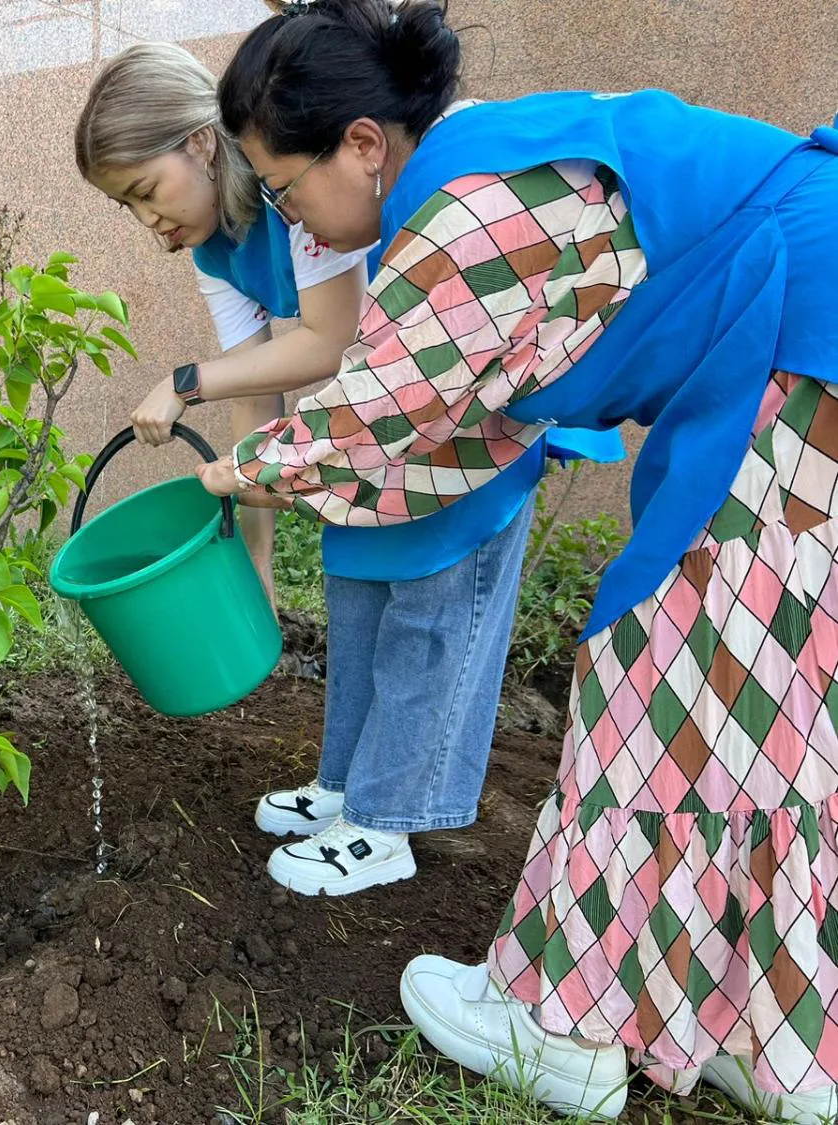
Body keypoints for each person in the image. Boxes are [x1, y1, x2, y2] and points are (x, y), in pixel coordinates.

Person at [201, 0, 838, 1119]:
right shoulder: (483, 159)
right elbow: (467, 405)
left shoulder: (460, 213)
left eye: (285, 184)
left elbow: (379, 410)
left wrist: (244, 468)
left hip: (799, 345)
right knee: (767, 710)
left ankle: (565, 1028)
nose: (287, 212)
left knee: (659, 681)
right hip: (797, 346)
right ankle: (769, 1034)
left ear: (361, 143)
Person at [75, 40, 621, 900]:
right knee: (359, 591)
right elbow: (261, 389)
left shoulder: (300, 189)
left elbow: (327, 339)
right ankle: (345, 785)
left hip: (450, 416)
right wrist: (252, 556)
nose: (147, 222)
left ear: (201, 144)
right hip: (369, 438)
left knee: (433, 608)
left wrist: (183, 384)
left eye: (145, 191)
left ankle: (390, 819)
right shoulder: (221, 251)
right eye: (126, 207)